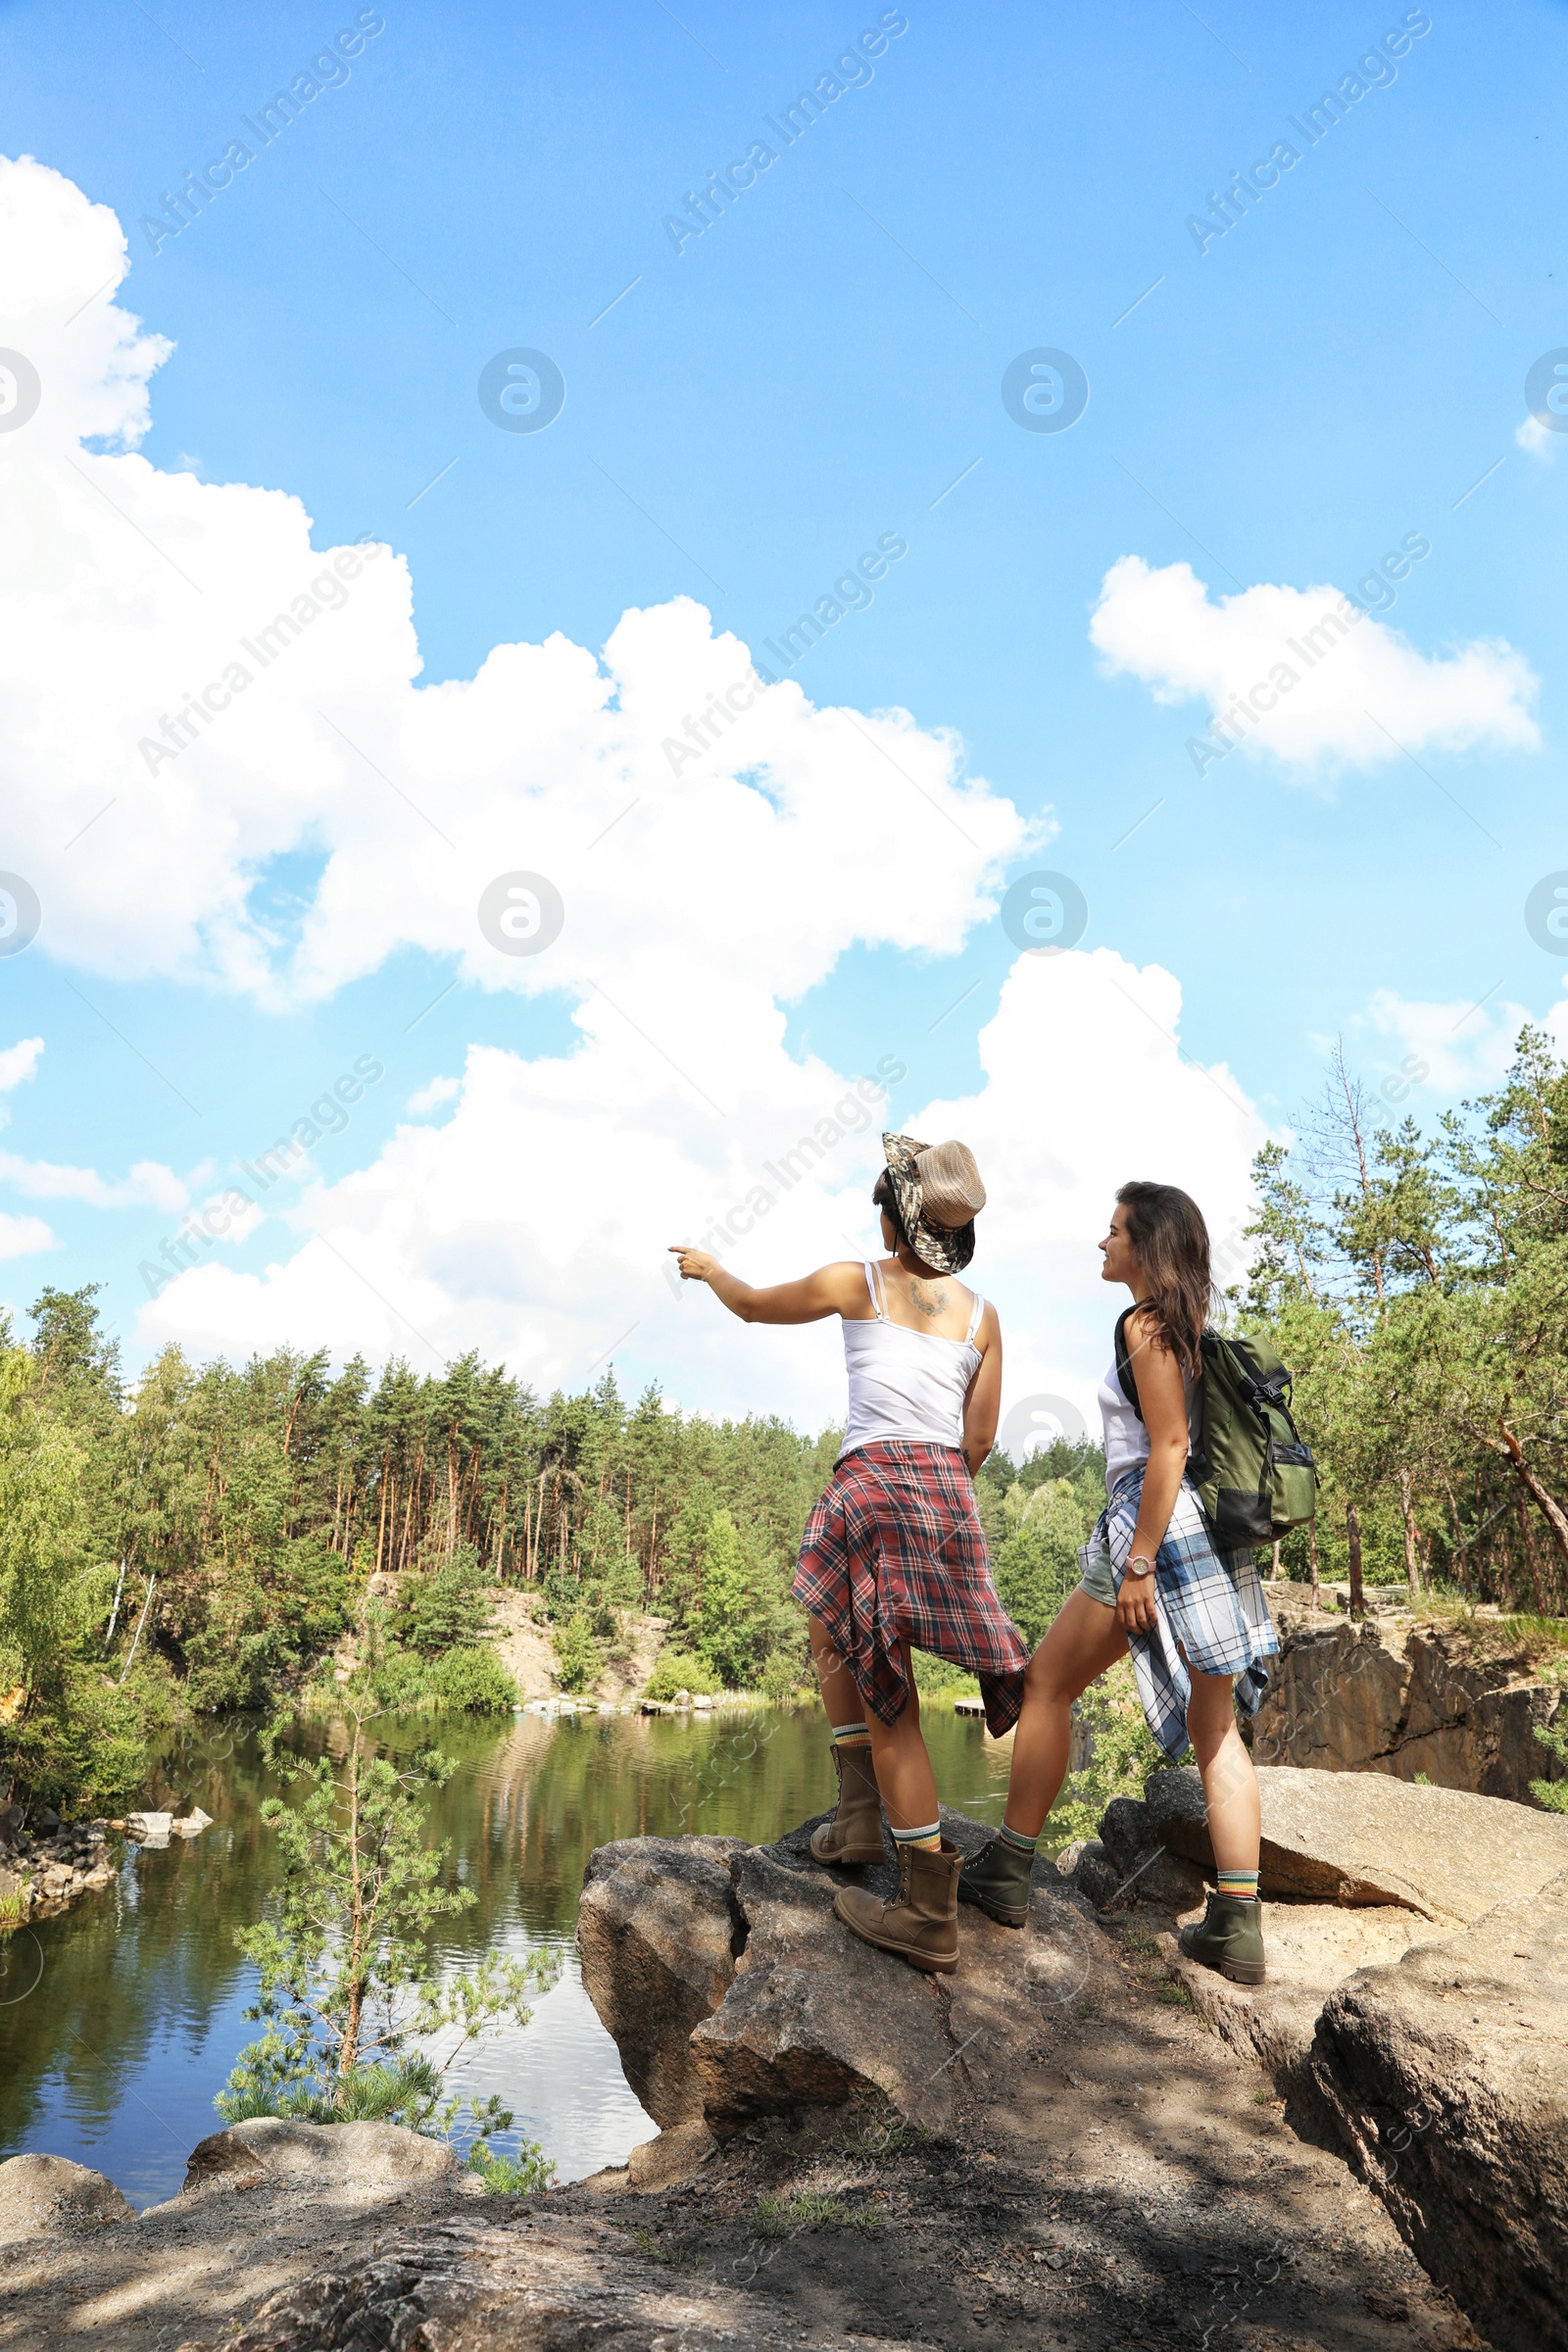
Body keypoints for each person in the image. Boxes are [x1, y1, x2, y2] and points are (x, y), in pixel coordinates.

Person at [669, 1131, 1027, 1975]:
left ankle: (927, 1912)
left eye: (880, 1205)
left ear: (896, 1219)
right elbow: (980, 1438)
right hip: (945, 1493)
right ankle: (860, 1816)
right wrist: (934, 1498)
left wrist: (712, 1269)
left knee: (881, 1683)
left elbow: (755, 1305)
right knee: (830, 1627)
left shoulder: (857, 1280)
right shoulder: (984, 1317)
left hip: (870, 1485)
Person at [957, 1181, 1279, 1986]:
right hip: (1209, 1534)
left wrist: (1136, 1560)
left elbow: (1165, 1446)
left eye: (1112, 1232)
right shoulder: (1190, 1328)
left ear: (1146, 1244)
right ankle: (1237, 1924)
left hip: (1155, 1528)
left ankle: (1007, 1873)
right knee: (1217, 1730)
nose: (1101, 1245)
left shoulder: (1145, 1325)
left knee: (1045, 1686)